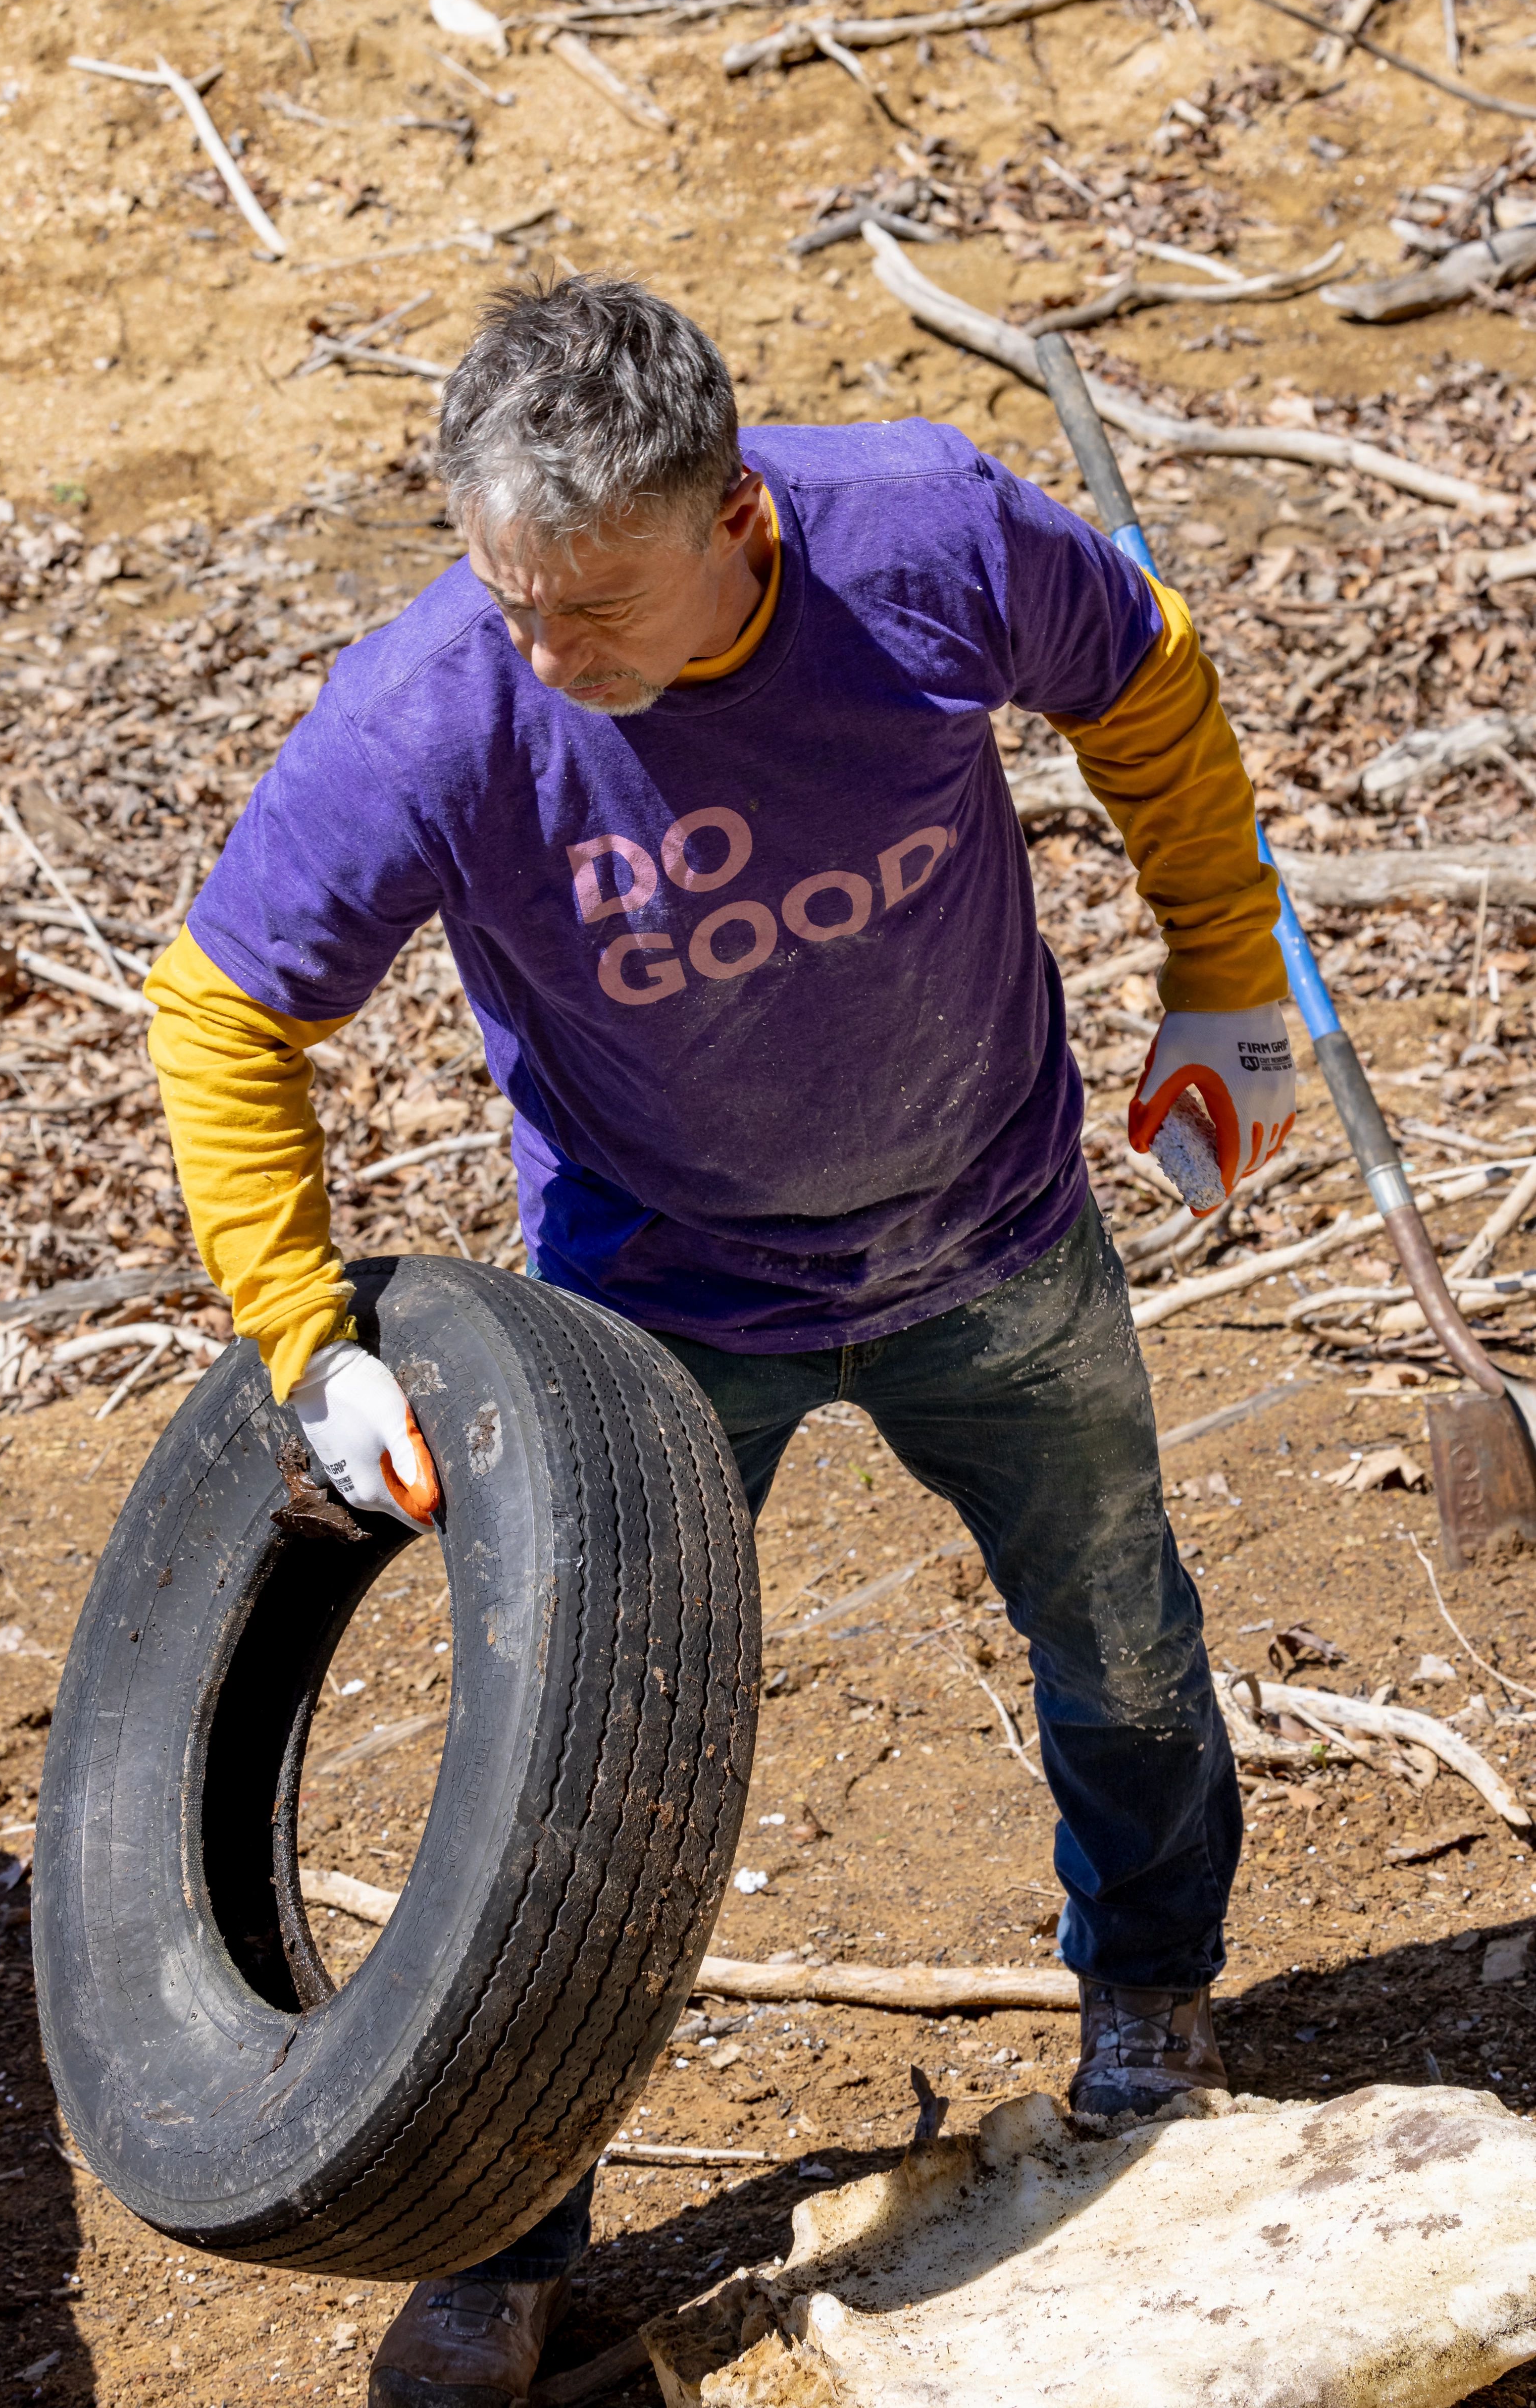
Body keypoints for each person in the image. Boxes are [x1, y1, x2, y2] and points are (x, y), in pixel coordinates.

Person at [145, 275, 1296, 2405]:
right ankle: (507, 2242)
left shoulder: (922, 538)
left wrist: (1223, 970)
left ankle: (1150, 2004)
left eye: (585, 604)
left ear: (736, 524)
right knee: (578, 1788)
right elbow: (226, 1008)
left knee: (1121, 1638)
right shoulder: (435, 712)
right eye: (503, 588)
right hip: (649, 1314)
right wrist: (309, 1342)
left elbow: (1136, 672)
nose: (538, 647)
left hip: (993, 1227)